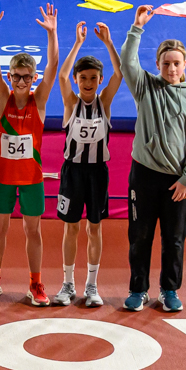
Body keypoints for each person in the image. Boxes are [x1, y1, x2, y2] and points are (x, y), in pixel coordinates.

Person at [120, 5, 186, 312]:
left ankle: (169, 290)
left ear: (185, 65)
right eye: (166, 63)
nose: (171, 68)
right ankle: (138, 290)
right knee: (139, 236)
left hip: (177, 183)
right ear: (157, 64)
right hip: (143, 176)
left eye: (176, 63)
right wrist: (137, 27)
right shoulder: (145, 87)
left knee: (174, 239)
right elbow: (127, 62)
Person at [0, 0, 59, 306]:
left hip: (32, 179)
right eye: (16, 76)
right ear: (10, 77)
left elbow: (53, 67)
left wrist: (52, 33)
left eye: (26, 76)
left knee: (32, 231)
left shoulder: (39, 101)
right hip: (3, 178)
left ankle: (36, 284)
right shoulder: (3, 99)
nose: (21, 81)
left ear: (33, 78)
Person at [51, 20, 122, 307]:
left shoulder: (105, 103)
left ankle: (91, 286)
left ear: (100, 80)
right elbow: (61, 76)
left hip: (97, 173)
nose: (88, 83)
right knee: (71, 228)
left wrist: (109, 43)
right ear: (77, 80)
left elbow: (119, 73)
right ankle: (68, 284)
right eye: (83, 78)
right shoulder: (71, 103)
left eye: (93, 78)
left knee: (95, 228)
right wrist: (78, 42)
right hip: (73, 172)